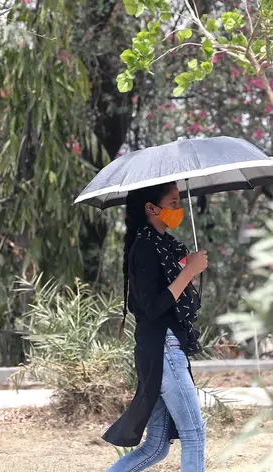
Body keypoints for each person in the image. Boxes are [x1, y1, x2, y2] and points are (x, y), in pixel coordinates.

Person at [103, 181, 208, 472]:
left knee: (156, 446)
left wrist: (188, 266)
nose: (179, 208)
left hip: (159, 349)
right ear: (151, 208)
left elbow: (161, 292)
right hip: (163, 348)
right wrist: (188, 272)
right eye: (173, 202)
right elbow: (150, 308)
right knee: (194, 433)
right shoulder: (146, 247)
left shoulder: (162, 245)